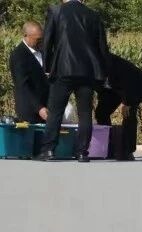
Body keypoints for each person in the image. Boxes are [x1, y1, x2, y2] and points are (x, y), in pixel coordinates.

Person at [38, 0, 109, 162]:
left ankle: (48, 150)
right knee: (85, 112)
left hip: (63, 69)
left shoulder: (56, 12)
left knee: (55, 111)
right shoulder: (93, 15)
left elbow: (47, 42)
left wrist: (47, 67)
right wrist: (103, 72)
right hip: (87, 71)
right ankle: (82, 152)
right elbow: (102, 46)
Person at [95, 53, 142, 160]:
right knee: (101, 112)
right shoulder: (91, 68)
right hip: (113, 88)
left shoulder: (115, 66)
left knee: (129, 114)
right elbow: (100, 89)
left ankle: (128, 150)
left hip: (135, 85)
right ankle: (107, 147)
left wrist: (128, 103)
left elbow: (129, 83)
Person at [9, 22, 49, 124]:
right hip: (29, 111)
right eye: (38, 39)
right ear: (26, 36)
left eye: (42, 39)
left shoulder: (45, 53)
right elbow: (22, 85)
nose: (41, 42)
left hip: (48, 109)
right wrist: (39, 108)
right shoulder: (18, 55)